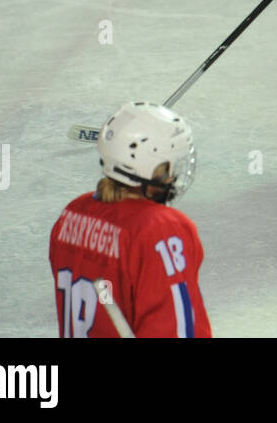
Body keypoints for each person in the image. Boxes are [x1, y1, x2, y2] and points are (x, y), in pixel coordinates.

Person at [49, 101, 211, 338]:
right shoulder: (161, 229)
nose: (173, 175)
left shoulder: (73, 214)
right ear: (151, 168)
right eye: (169, 166)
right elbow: (175, 330)